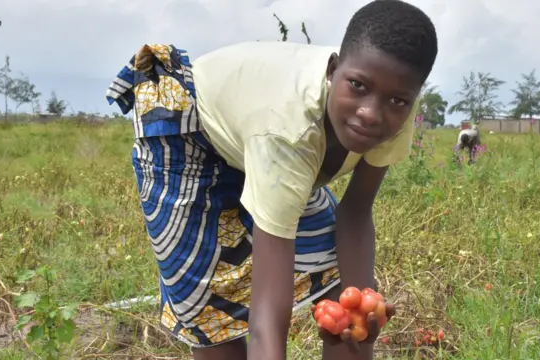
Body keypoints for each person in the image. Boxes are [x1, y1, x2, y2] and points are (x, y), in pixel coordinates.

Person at [105, 1, 438, 359]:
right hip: (190, 137)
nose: (371, 113)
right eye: (357, 85)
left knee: (343, 294)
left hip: (262, 138)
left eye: (397, 100)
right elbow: (267, 321)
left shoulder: (397, 110)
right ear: (334, 69)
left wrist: (360, 321)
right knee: (213, 320)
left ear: (412, 98)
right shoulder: (288, 132)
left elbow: (355, 214)